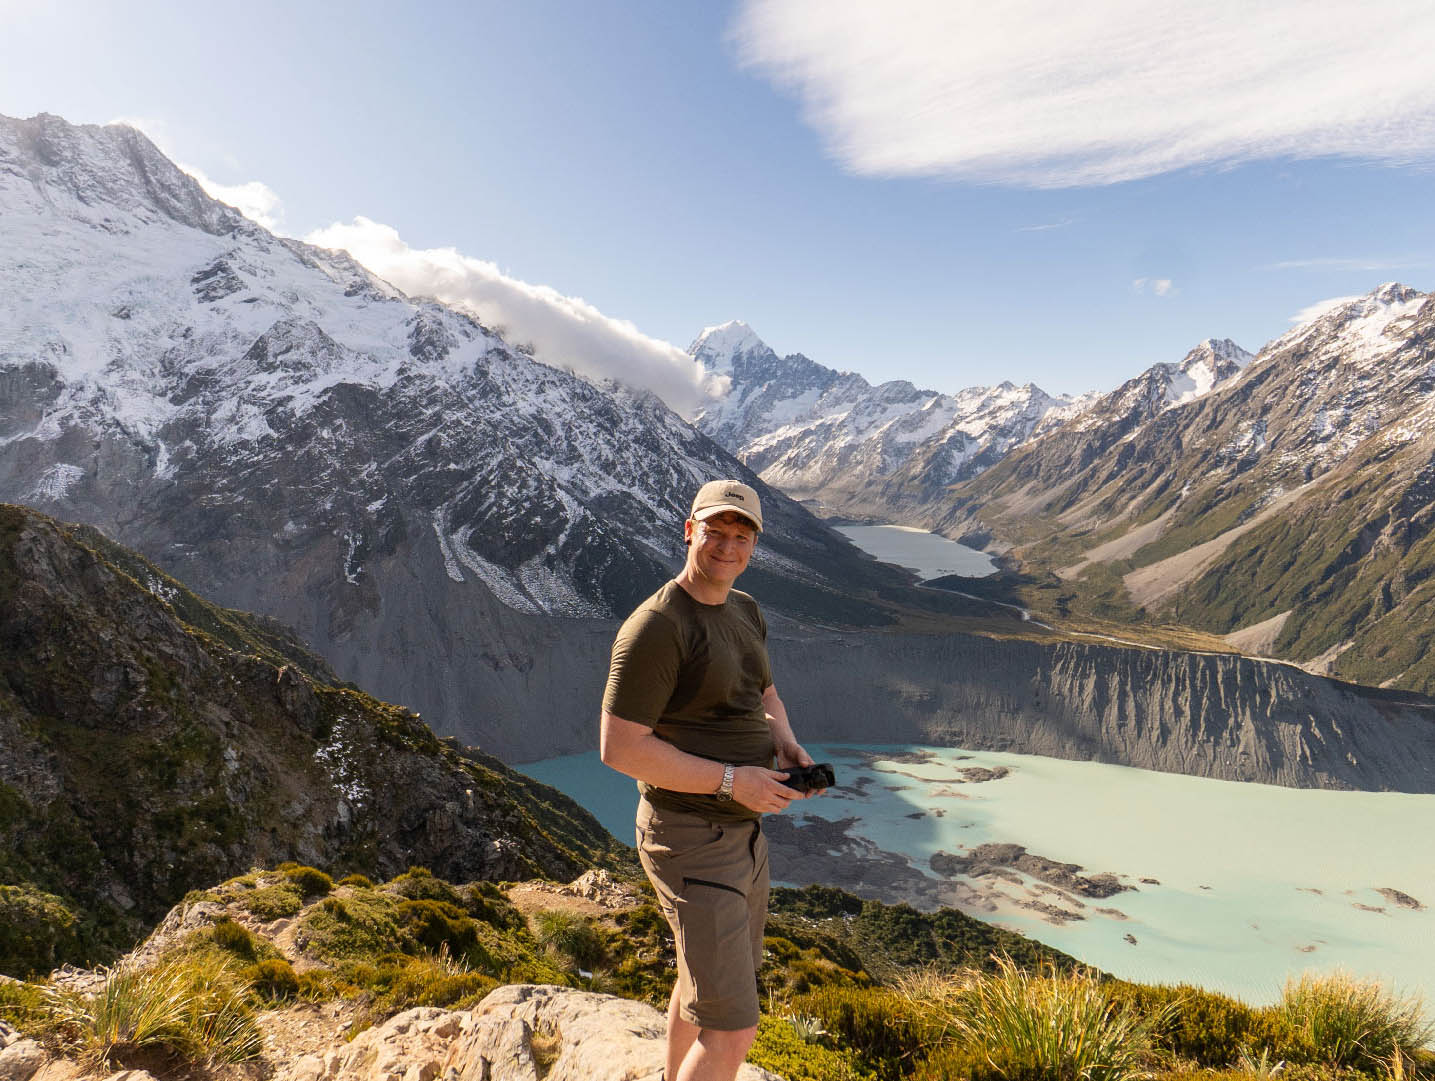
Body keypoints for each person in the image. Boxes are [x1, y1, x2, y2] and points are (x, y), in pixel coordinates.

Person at [600, 479, 822, 1081]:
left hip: (740, 836)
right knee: (733, 1027)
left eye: (741, 535)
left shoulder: (744, 610)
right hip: (691, 836)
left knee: (702, 988)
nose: (728, 546)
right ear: (689, 530)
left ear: (754, 544)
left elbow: (764, 692)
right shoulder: (657, 627)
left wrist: (783, 743)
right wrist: (732, 782)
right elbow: (620, 749)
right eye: (715, 532)